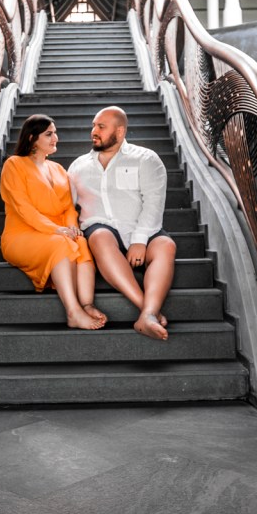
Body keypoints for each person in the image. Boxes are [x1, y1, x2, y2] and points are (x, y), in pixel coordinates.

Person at [68, 105, 176, 340]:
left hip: (141, 228)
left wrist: (139, 241)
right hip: (101, 229)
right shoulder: (78, 166)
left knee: (167, 246)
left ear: (120, 131)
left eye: (101, 127)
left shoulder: (146, 159)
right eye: (93, 126)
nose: (94, 131)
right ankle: (147, 310)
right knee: (98, 237)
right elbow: (64, 204)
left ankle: (147, 316)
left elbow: (154, 204)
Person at [0, 114, 107, 330]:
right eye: (49, 134)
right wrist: (56, 229)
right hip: (22, 234)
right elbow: (23, 209)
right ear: (32, 138)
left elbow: (68, 206)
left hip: (58, 231)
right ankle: (73, 312)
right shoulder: (14, 165)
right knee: (61, 244)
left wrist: (71, 226)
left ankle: (86, 305)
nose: (55, 138)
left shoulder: (58, 169)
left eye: (55, 133)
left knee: (81, 242)